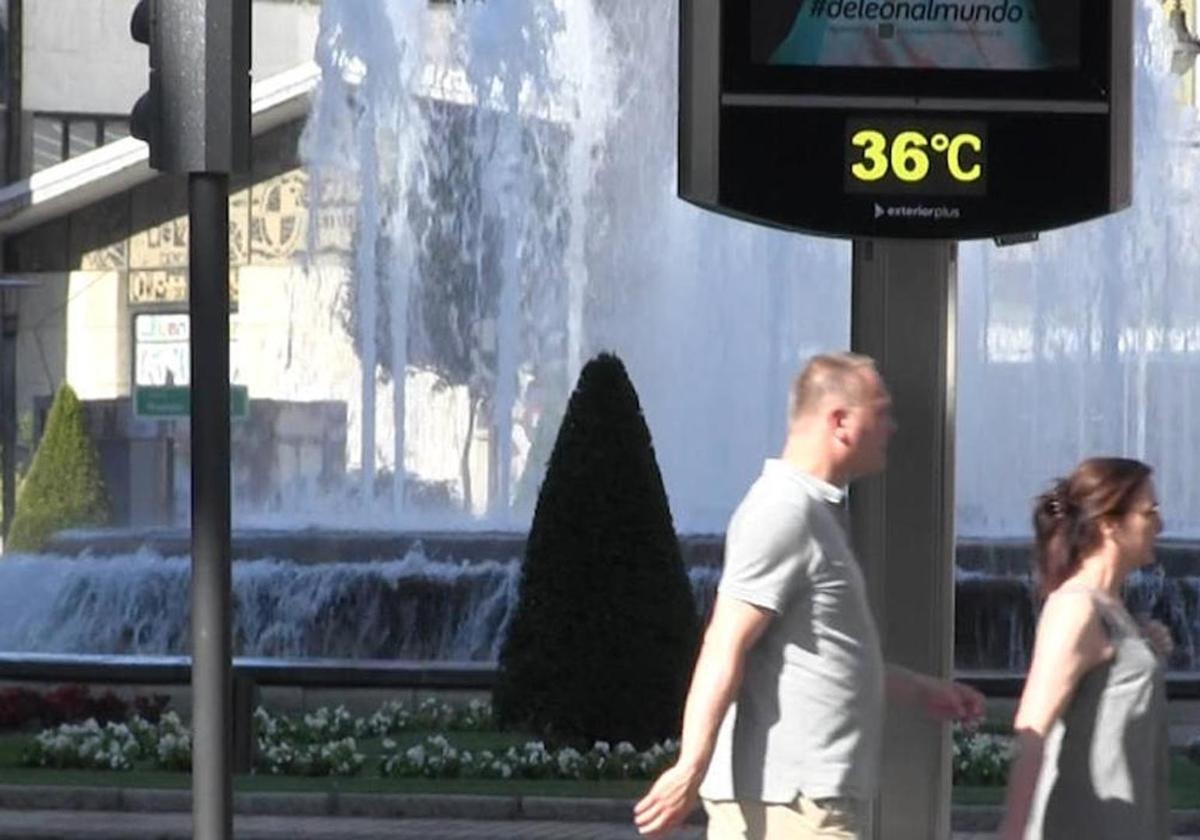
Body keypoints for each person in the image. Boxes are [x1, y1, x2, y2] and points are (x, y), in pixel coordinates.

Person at [632, 352, 985, 839]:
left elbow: (826, 657)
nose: (893, 427)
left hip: (805, 802)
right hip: (790, 807)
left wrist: (924, 690)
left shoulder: (815, 515)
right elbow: (724, 643)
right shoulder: (783, 511)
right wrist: (691, 765)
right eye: (880, 412)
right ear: (840, 421)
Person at [998, 457, 1173, 840]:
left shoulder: (1110, 608)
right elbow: (1031, 730)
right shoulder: (1075, 608)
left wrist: (1142, 644)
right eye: (1150, 512)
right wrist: (1012, 833)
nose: (1160, 525)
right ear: (1110, 524)